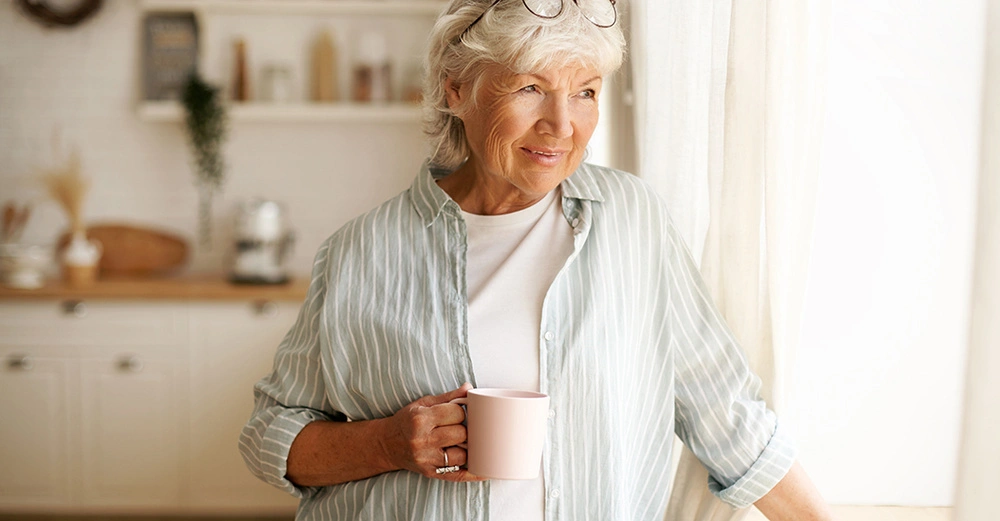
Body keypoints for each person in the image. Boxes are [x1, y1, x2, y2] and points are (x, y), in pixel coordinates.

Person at [239, 0, 835, 519]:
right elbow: (269, 435)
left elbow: (725, 412)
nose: (562, 125)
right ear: (456, 87)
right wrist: (390, 444)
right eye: (530, 87)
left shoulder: (633, 220)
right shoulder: (360, 251)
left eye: (586, 92)